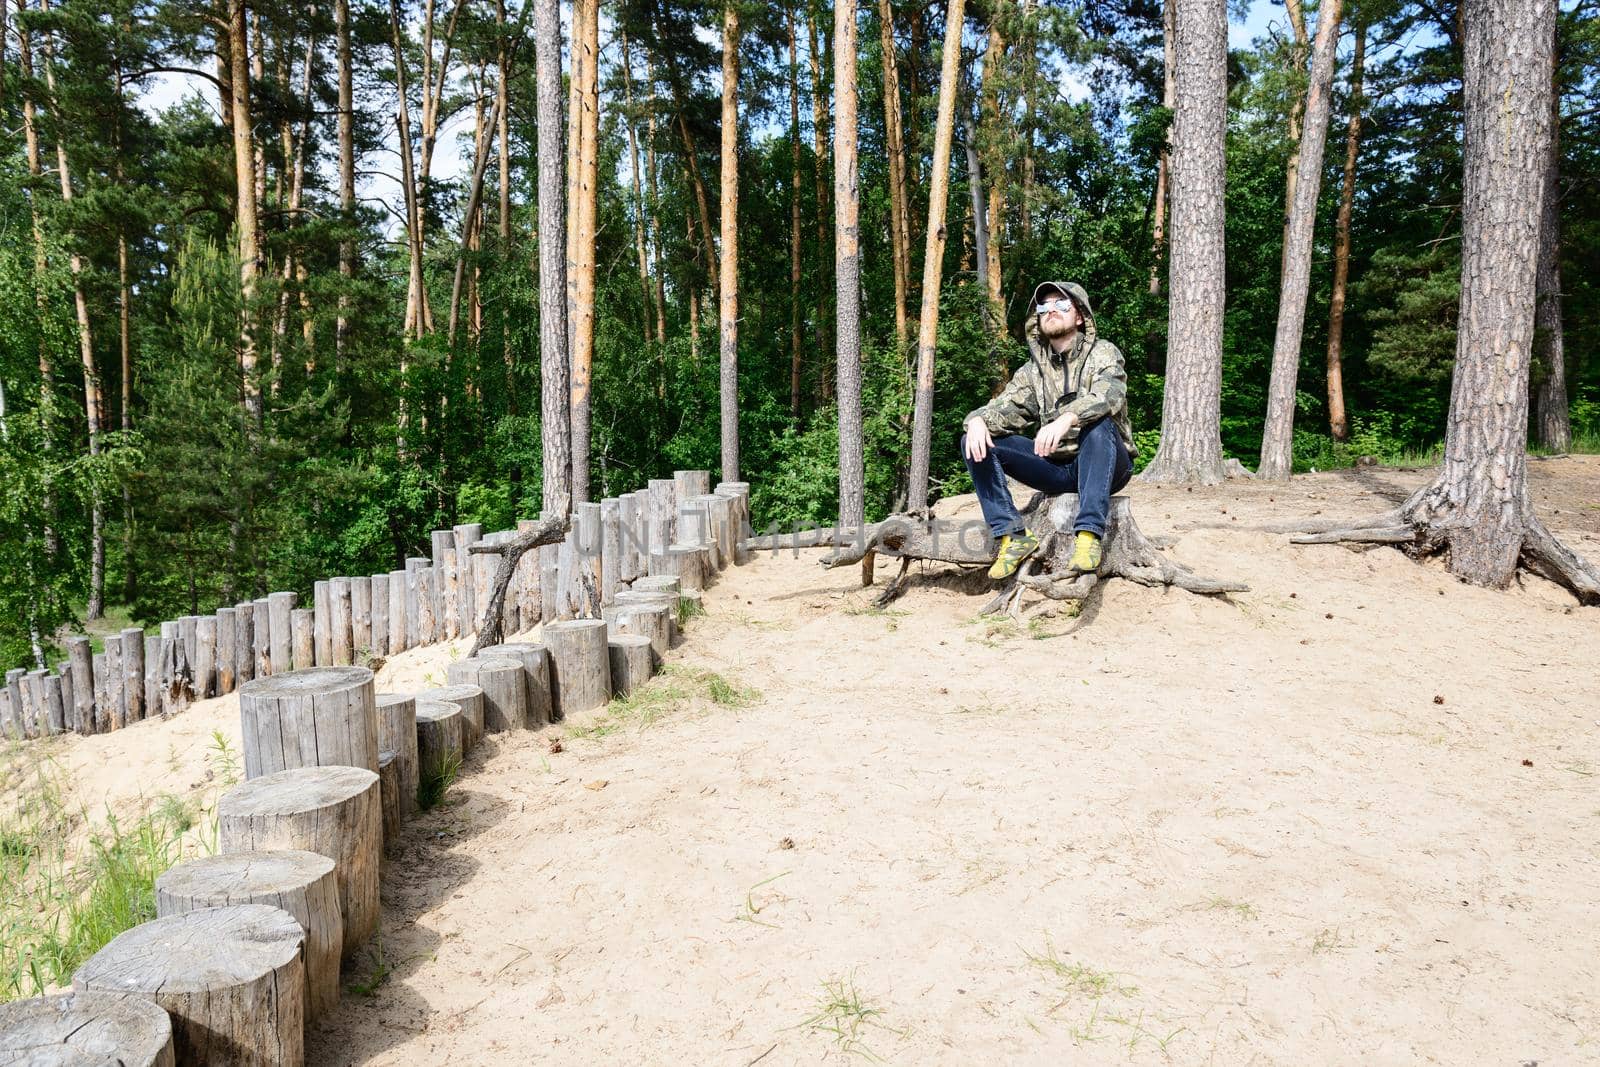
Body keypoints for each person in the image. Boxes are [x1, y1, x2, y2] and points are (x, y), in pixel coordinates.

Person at [960, 281, 1137, 580]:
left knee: (1098, 422)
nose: (1051, 310)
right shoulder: (1033, 371)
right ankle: (1012, 535)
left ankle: (1089, 537)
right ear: (1037, 319)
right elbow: (1005, 408)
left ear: (1079, 316)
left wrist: (1067, 418)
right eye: (1044, 307)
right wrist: (976, 420)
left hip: (1107, 463)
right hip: (1057, 468)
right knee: (974, 439)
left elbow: (1108, 396)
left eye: (1061, 304)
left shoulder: (1104, 353)